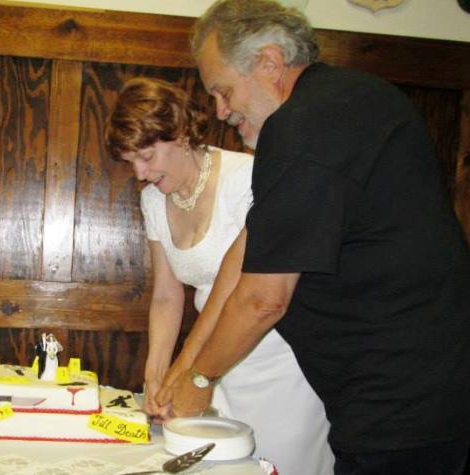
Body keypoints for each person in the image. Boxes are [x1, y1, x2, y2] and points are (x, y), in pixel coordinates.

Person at [155, 1, 470, 475]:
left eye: (223, 91)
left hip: (401, 401)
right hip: (420, 389)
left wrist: (200, 380)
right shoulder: (348, 100)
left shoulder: (301, 124)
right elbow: (248, 251)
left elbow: (263, 299)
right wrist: (185, 366)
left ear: (269, 63)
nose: (221, 111)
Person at [104, 77, 334, 475]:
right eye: (131, 162)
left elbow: (241, 290)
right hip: (209, 363)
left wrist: (185, 371)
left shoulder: (248, 177)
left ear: (179, 134)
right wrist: (155, 377)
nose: (140, 173)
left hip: (274, 354)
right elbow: (166, 296)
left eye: (146, 156)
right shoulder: (153, 200)